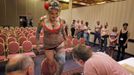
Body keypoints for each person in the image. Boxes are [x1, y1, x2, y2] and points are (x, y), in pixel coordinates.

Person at [36, 0, 66, 75]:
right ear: (48, 12)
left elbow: (63, 31)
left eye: (56, 13)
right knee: (50, 64)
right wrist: (37, 44)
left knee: (62, 61)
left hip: (59, 43)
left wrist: (65, 39)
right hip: (48, 46)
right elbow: (37, 32)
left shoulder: (60, 20)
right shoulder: (42, 20)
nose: (54, 15)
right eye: (52, 13)